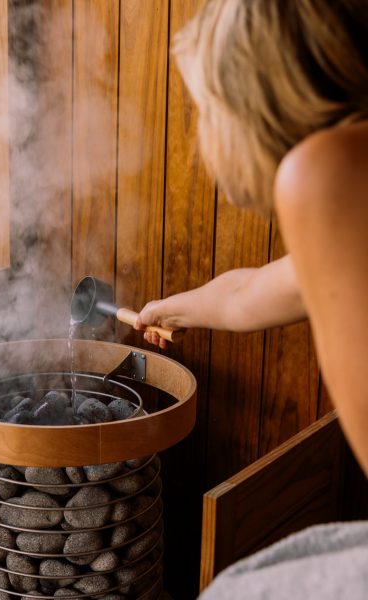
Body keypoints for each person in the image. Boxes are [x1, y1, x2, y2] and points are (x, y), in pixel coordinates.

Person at [134, 1, 368, 597]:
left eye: (203, 109)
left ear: (250, 100)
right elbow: (248, 294)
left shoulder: (327, 171)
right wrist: (171, 310)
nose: (201, 134)